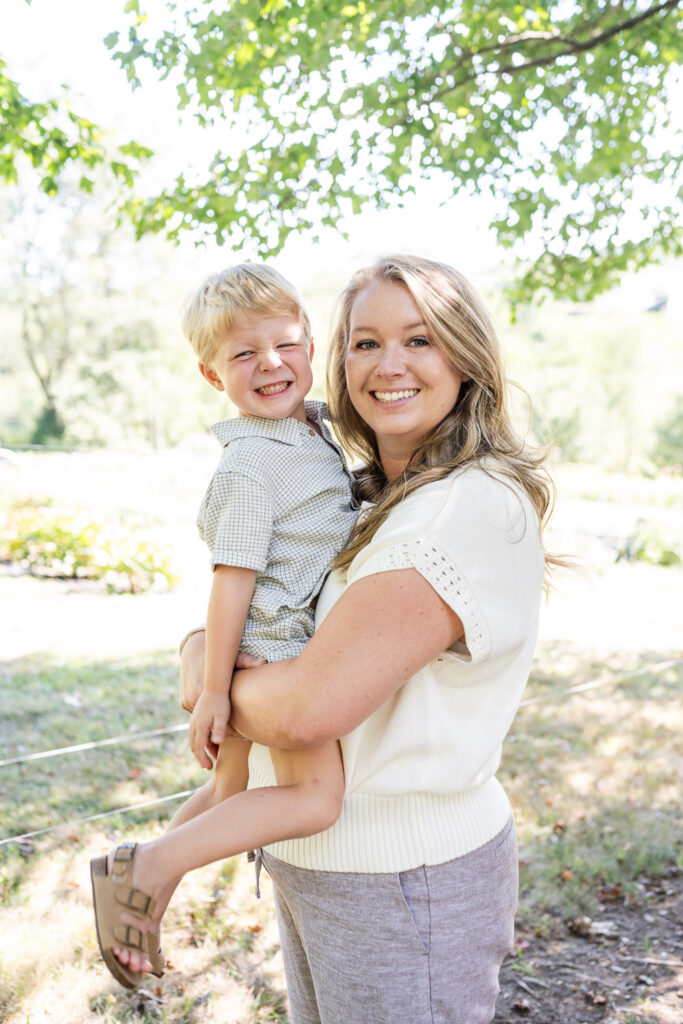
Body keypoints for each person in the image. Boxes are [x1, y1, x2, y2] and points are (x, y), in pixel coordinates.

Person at [109, 253, 556, 1024]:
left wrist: (204, 677)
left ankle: (152, 867)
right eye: (365, 342)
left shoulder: (461, 510)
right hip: (322, 867)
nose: (389, 365)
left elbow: (309, 708)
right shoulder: (368, 489)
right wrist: (200, 653)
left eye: (419, 340)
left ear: (466, 354)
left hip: (404, 879)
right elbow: (266, 592)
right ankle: (147, 873)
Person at [90, 263, 357, 990]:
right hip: (274, 648)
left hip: (273, 639)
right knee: (314, 798)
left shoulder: (314, 428)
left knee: (226, 793)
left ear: (311, 345)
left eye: (285, 344)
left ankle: (139, 897)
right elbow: (230, 579)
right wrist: (215, 690)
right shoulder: (249, 464)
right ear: (213, 377)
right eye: (244, 354)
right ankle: (147, 867)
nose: (270, 363)